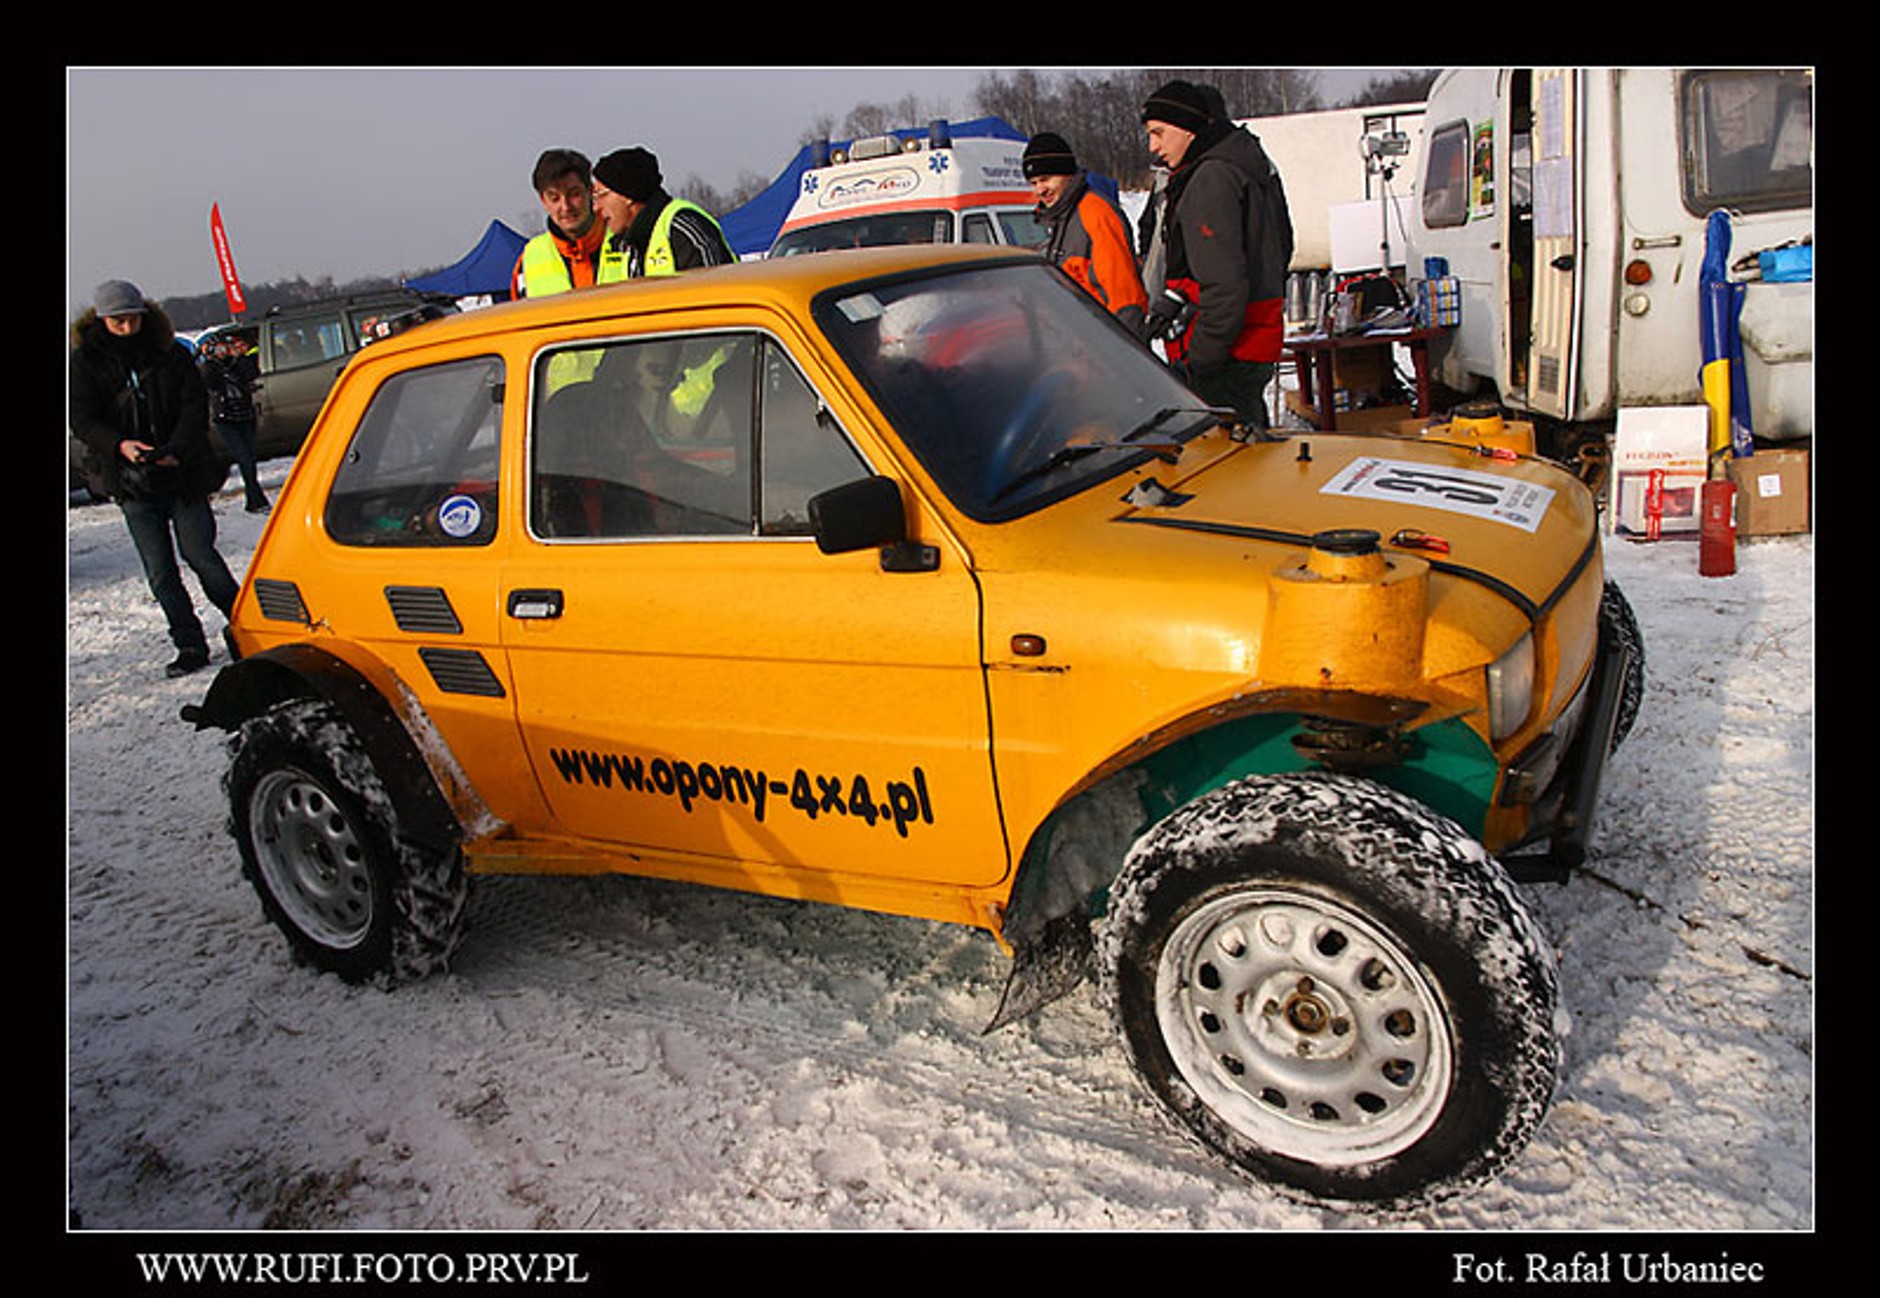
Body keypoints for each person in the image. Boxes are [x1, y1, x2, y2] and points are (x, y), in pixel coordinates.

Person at [70, 280, 242, 677]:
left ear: (143, 315)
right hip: (130, 481)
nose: (126, 326)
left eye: (131, 318)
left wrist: (175, 451)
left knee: (202, 556)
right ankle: (189, 644)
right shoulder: (84, 363)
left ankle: (245, 627)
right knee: (161, 571)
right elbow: (81, 419)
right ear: (102, 321)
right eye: (117, 321)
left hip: (183, 475)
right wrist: (120, 445)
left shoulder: (170, 353)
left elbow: (194, 406)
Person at [1141, 79, 1294, 428]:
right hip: (1251, 340)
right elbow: (1269, 252)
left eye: (1158, 133)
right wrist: (1174, 299)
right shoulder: (1246, 166)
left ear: (1187, 127)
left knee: (1233, 466)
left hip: (1228, 352)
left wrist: (1203, 356)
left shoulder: (1212, 177)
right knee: (1251, 452)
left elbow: (1225, 284)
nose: (1153, 146)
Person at [1023, 132, 1148, 334]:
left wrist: (1121, 356)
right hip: (1078, 346)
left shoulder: (1096, 213)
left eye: (1045, 179)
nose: (1040, 190)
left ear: (1067, 174)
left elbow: (1125, 298)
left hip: (1104, 347)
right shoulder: (1060, 219)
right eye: (1033, 182)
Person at [591, 147, 735, 283]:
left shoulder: (682, 229)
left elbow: (715, 293)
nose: (596, 207)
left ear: (627, 196)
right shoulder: (629, 246)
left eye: (600, 195)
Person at [510, 148, 607, 298]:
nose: (566, 207)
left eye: (574, 195)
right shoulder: (529, 259)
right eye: (555, 198)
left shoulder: (624, 243)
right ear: (543, 201)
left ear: (590, 191)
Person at [198, 333, 268, 512]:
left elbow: (251, 373)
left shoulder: (236, 363)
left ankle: (253, 501)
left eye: (224, 347)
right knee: (244, 458)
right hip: (226, 420)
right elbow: (209, 382)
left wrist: (238, 356)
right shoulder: (210, 368)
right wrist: (208, 358)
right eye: (219, 349)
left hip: (245, 416)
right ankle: (257, 501)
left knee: (250, 459)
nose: (223, 352)